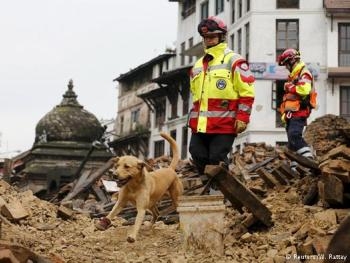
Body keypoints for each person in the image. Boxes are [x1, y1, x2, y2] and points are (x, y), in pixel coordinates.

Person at [188, 16, 255, 186]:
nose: (208, 41)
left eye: (212, 37)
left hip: (225, 123)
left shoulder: (235, 60)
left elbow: (247, 92)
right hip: (201, 124)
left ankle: (220, 191)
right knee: (196, 153)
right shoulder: (196, 66)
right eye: (206, 38)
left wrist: (243, 117)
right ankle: (209, 186)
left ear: (221, 36)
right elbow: (197, 98)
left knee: (216, 158)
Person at [278, 48, 316, 171]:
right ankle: (295, 169)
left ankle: (309, 160)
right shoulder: (294, 75)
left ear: (292, 61)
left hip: (299, 111)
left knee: (294, 136)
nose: (286, 67)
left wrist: (290, 86)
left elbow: (304, 90)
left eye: (286, 64)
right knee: (291, 145)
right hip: (292, 113)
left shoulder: (304, 73)